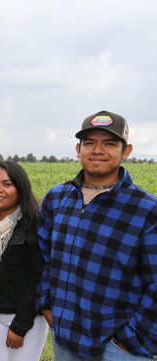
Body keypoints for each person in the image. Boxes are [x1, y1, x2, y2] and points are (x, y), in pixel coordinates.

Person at [37, 110, 157, 360]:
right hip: (65, 335)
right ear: (78, 149)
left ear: (126, 151)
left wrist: (129, 340)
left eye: (109, 143)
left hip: (117, 348)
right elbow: (43, 257)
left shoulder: (146, 209)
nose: (98, 150)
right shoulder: (56, 198)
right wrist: (47, 305)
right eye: (89, 143)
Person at [0, 161, 48, 361]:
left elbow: (38, 277)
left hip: (25, 318)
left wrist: (20, 326)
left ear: (20, 188)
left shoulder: (33, 223)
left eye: (7, 184)